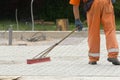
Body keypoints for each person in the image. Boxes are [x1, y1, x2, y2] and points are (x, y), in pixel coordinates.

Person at [69, 0, 120, 65]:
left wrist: (77, 19)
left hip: (93, 4)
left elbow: (75, 4)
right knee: (110, 30)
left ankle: (93, 58)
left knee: (93, 32)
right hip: (106, 3)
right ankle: (113, 55)